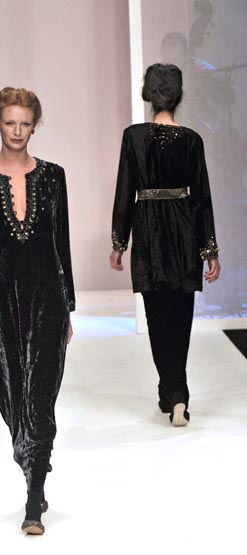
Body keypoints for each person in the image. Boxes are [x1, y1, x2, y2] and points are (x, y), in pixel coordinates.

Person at [0, 87, 75, 534]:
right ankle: (32, 465)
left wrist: (68, 306)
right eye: (10, 122)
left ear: (35, 125)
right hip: (1, 300)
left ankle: (33, 495)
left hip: (47, 297)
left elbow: (61, 243)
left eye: (25, 123)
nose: (18, 131)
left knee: (40, 397)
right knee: (12, 395)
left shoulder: (54, 177)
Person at [110, 63, 220, 427]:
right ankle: (173, 392)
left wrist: (119, 242)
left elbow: (125, 191)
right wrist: (210, 251)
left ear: (148, 94)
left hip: (149, 233)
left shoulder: (133, 137)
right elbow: (201, 198)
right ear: (180, 95)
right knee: (180, 317)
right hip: (184, 231)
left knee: (157, 319)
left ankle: (175, 393)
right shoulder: (192, 139)